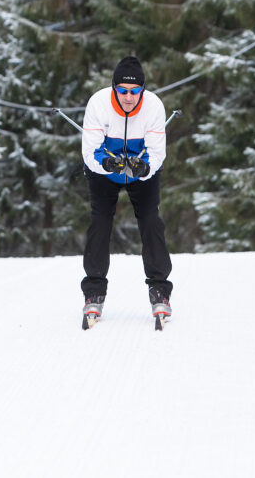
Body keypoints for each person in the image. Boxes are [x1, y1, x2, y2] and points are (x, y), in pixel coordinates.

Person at [79, 56, 171, 328]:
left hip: (142, 171)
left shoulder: (153, 106)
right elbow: (89, 151)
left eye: (134, 91)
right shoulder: (98, 103)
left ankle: (160, 291)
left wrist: (145, 168)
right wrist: (106, 163)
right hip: (103, 170)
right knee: (100, 221)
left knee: (151, 221)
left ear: (142, 90)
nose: (128, 97)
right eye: (122, 91)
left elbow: (157, 152)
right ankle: (93, 290)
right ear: (113, 89)